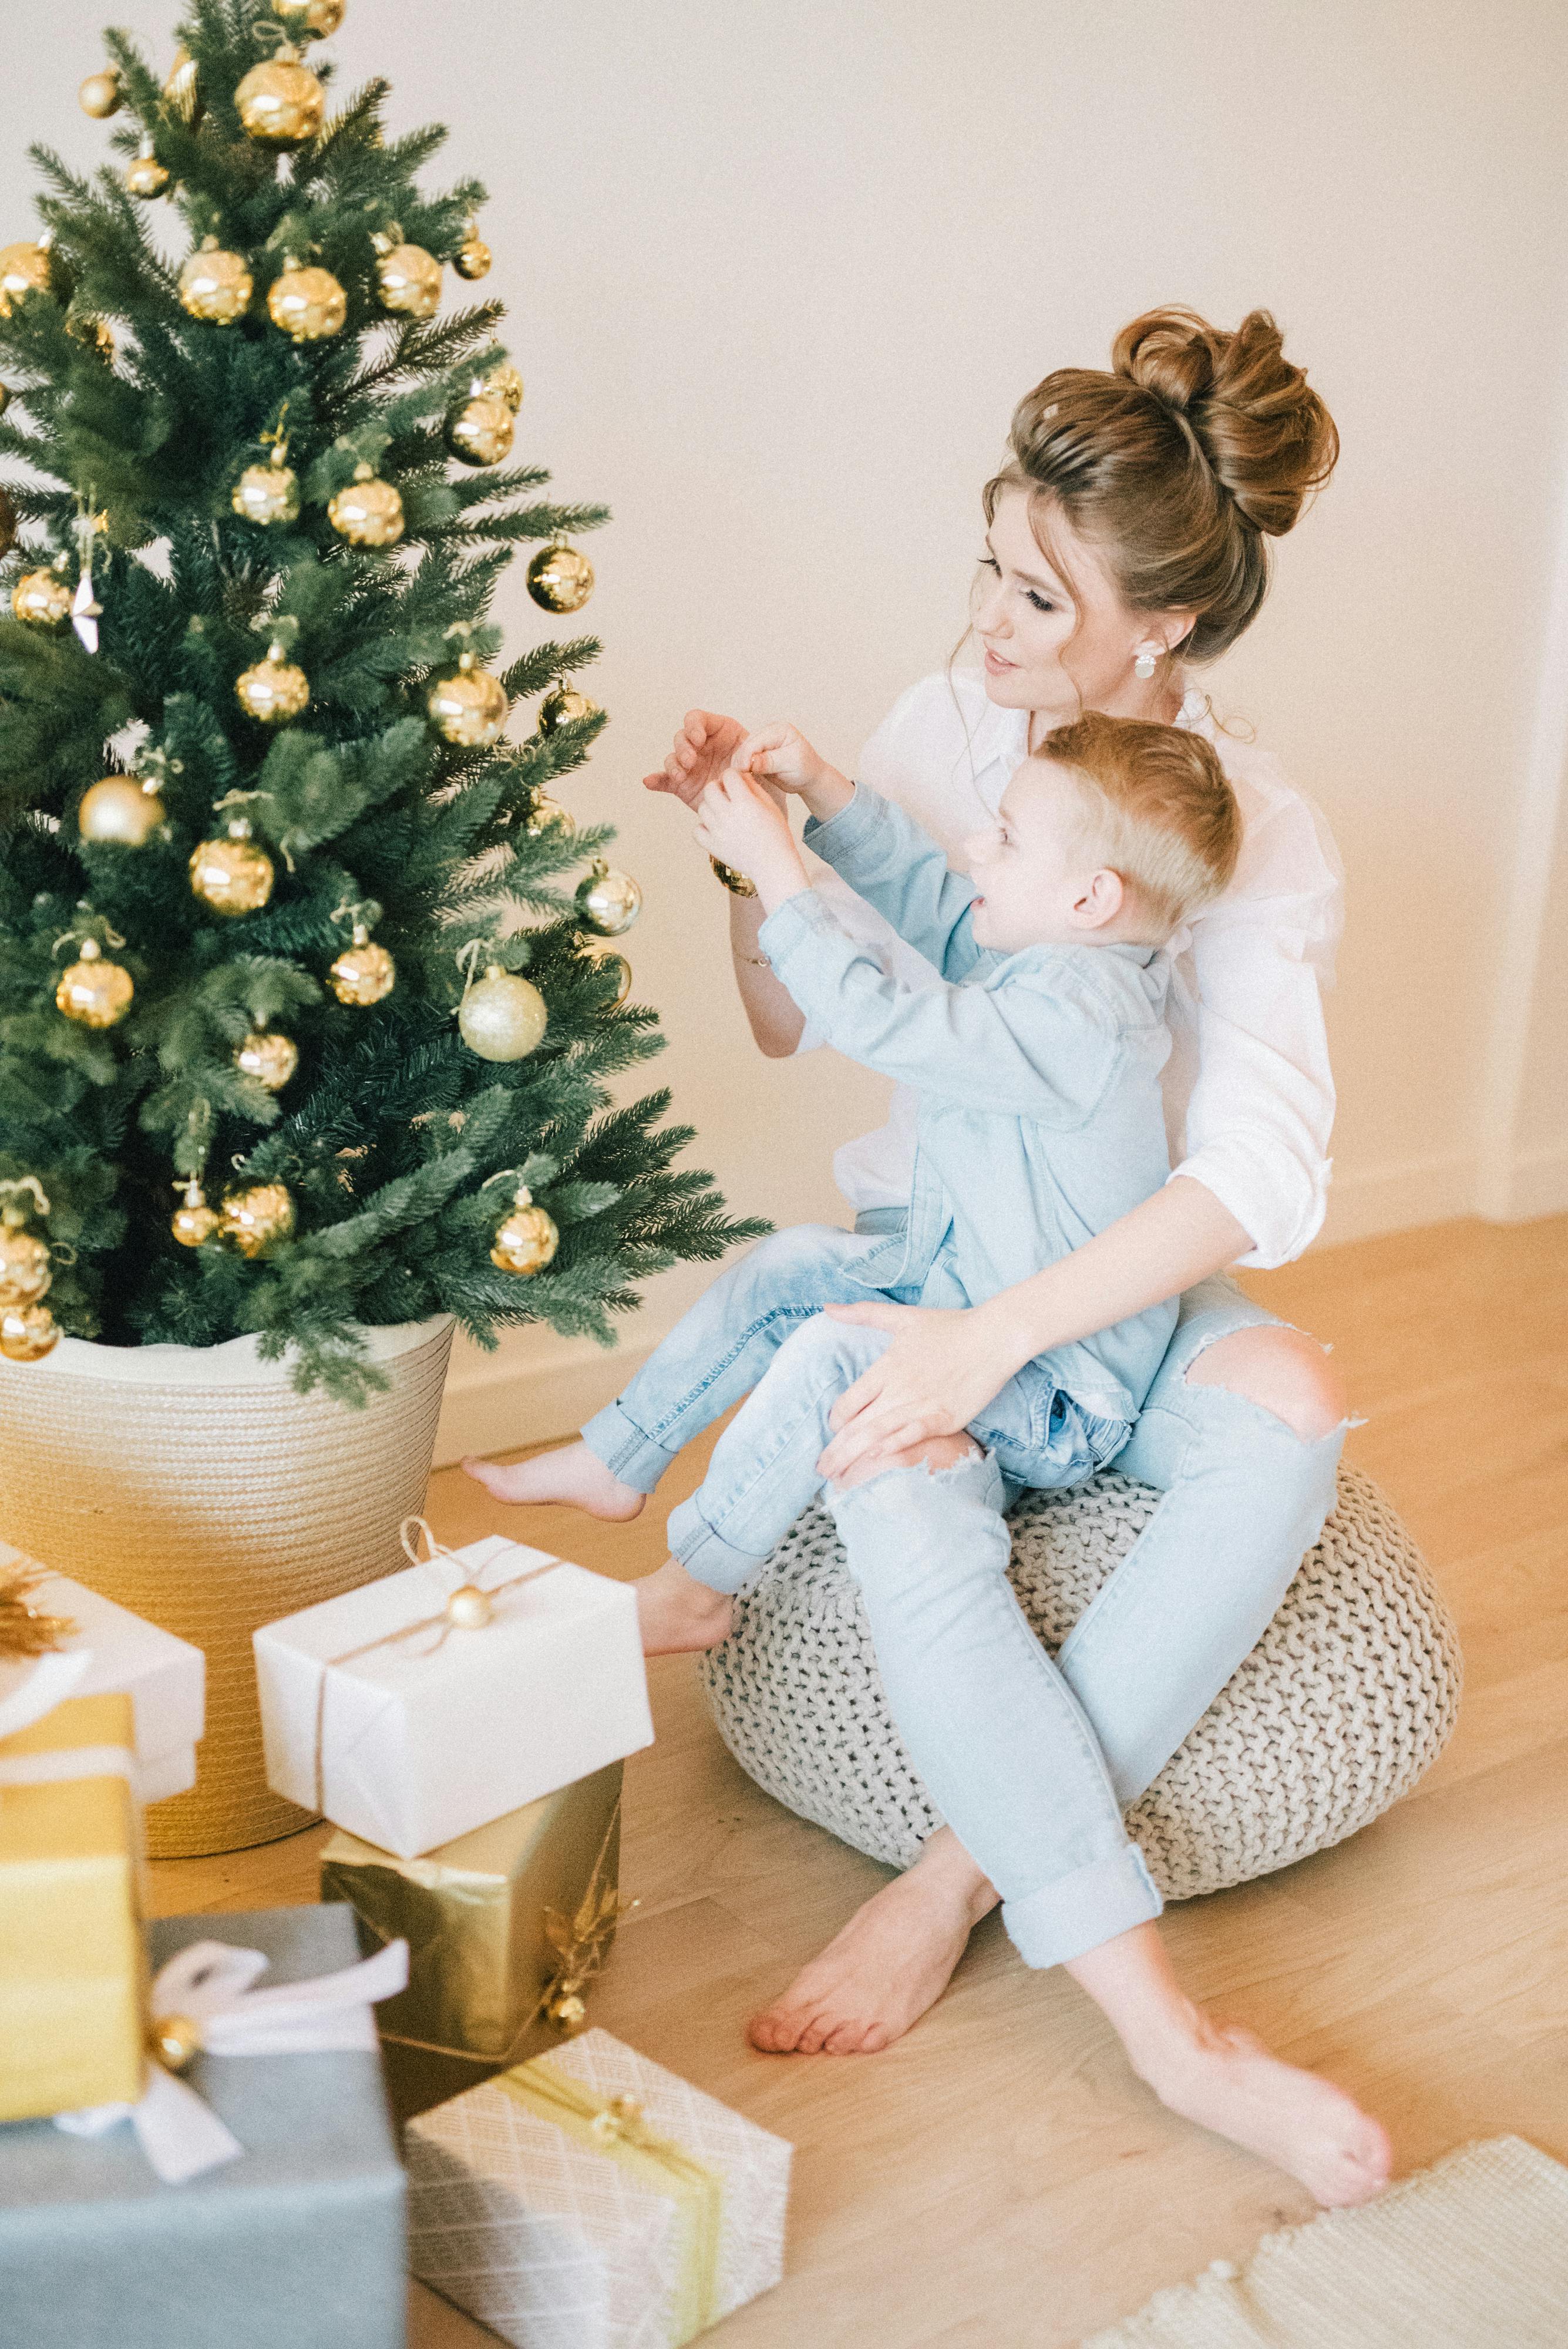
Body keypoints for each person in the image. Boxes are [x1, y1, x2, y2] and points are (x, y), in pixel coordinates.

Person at [486, 304, 1394, 2207]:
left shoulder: (1242, 831)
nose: (989, 631)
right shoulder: (960, 724)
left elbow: (1253, 1173)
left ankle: (955, 1873)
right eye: (985, 569)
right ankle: (1108, 1962)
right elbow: (804, 1013)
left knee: (1291, 1405)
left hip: (1093, 1280)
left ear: (1164, 631)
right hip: (949, 1231)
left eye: (1038, 603)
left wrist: (994, 1344)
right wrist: (764, 863)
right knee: (882, 1416)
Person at [470, 714, 1241, 1994]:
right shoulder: (1048, 959)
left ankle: (698, 1579)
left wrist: (781, 870)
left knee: (833, 1347)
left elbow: (889, 1021)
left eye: (1006, 835)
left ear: (1091, 894)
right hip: (958, 1279)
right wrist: (827, 794)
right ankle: (621, 1458)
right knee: (789, 1266)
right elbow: (943, 908)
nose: (977, 849)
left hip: (1053, 1388)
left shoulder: (1086, 1017)